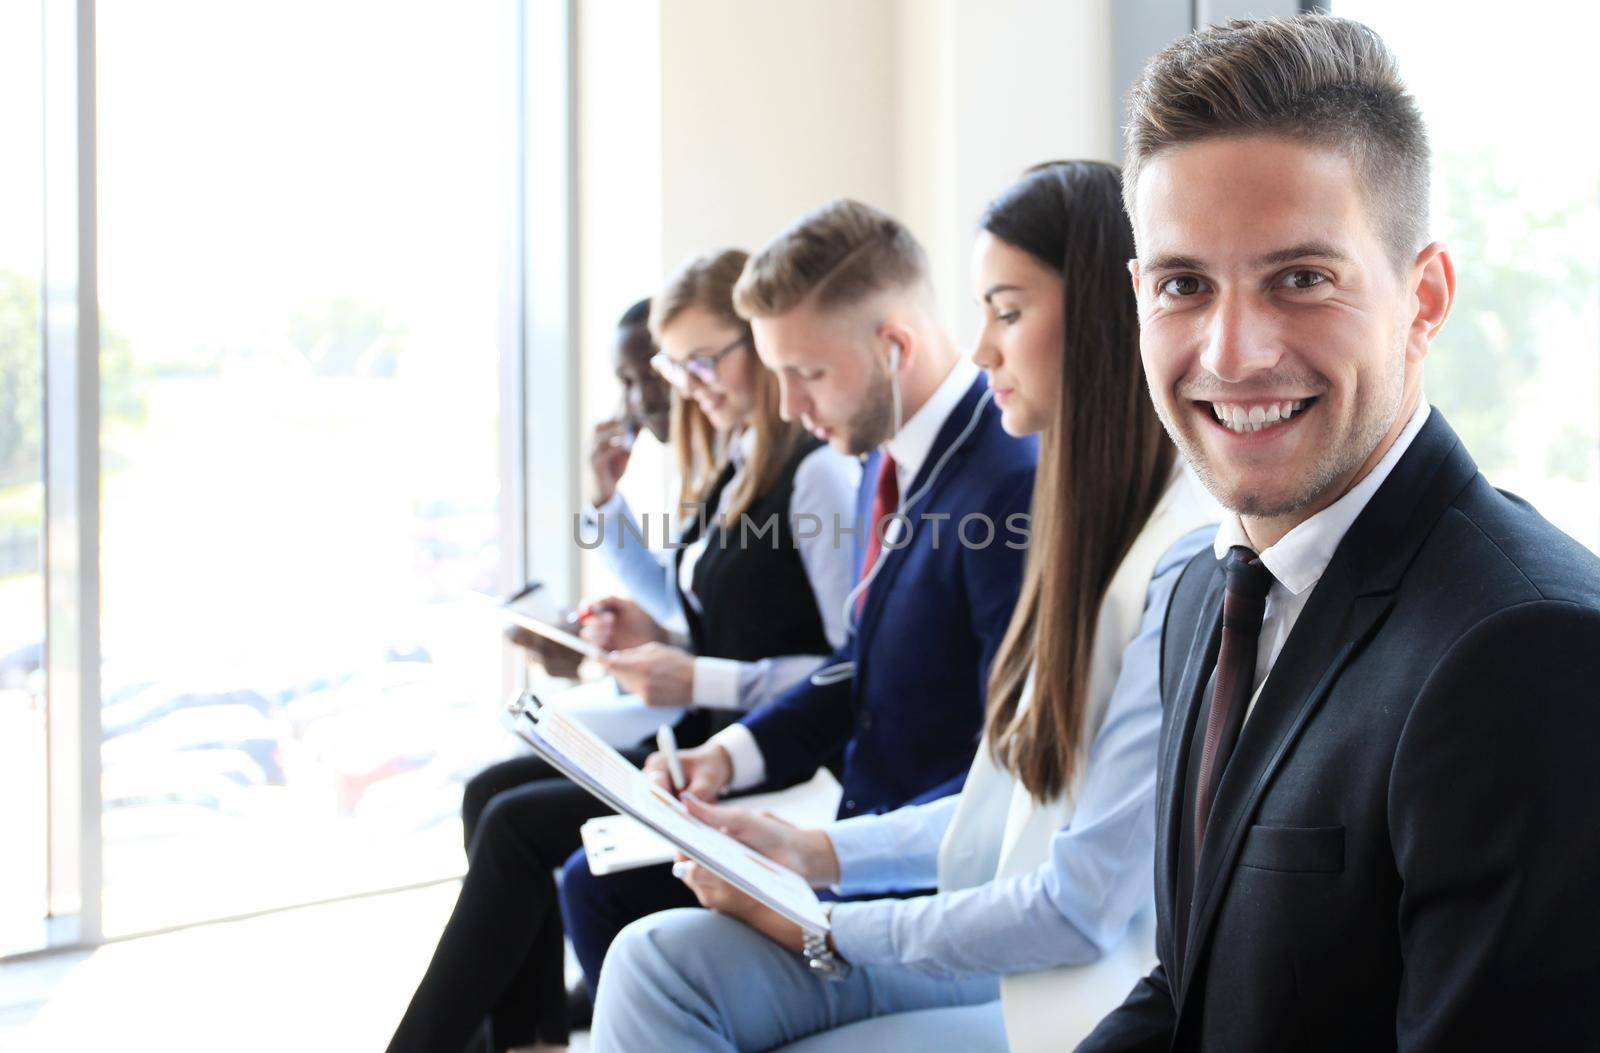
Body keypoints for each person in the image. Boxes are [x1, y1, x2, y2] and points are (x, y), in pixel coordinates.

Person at [586, 162, 1218, 1053]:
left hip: (1063, 981)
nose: (984, 348)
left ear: (1106, 319)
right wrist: (807, 852)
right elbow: (1011, 796)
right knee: (650, 956)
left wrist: (823, 920)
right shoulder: (1075, 526)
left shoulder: (1145, 546)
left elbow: (1075, 902)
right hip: (952, 885)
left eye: (1006, 310)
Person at [1075, 14, 1600, 1051]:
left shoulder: (1529, 649)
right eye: (1185, 285)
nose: (1231, 354)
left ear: (1425, 298)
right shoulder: (1200, 595)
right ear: (1138, 300)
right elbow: (1193, 988)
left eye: (1301, 279)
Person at [555, 199, 1039, 1005]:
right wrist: (729, 756)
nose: (785, 407)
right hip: (863, 861)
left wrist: (817, 852)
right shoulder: (896, 462)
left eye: (806, 373)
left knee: (654, 967)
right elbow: (857, 662)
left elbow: (1003, 768)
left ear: (892, 348)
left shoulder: (1004, 485)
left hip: (934, 901)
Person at [386, 250, 859, 1053]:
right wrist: (656, 629)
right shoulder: (734, 464)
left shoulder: (815, 477)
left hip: (766, 759)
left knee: (512, 824)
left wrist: (692, 667)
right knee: (491, 794)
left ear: (762, 341)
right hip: (704, 737)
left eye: (704, 359)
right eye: (680, 367)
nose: (686, 385)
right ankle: (528, 1036)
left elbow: (845, 666)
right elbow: (713, 614)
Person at [509, 297, 672, 678]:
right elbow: (673, 606)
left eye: (655, 374)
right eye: (628, 382)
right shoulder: (690, 474)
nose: (644, 398)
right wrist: (603, 499)